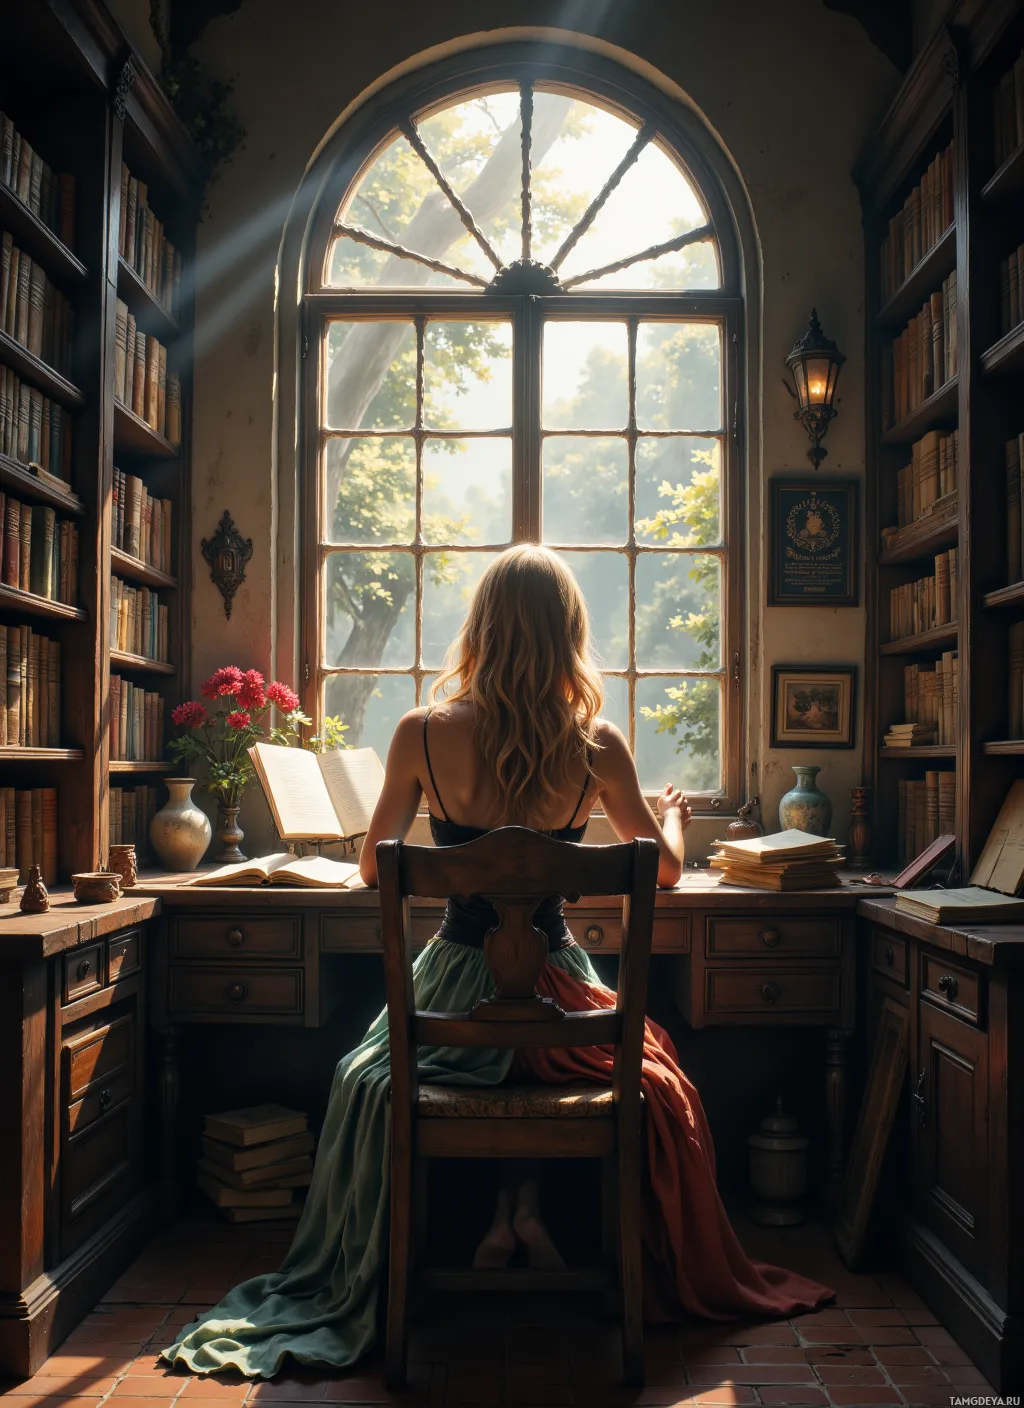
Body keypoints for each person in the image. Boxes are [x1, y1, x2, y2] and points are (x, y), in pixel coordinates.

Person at [163, 545, 831, 1381]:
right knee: (608, 1067)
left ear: (481, 628)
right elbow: (661, 871)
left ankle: (485, 1227)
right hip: (562, 993)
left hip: (452, 992)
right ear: (568, 633)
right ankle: (525, 1215)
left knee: (362, 1076)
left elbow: (372, 866)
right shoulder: (598, 743)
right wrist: (671, 817)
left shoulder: (420, 732)